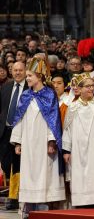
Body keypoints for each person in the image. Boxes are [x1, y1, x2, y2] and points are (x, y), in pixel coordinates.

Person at [10, 57, 65, 218]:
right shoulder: (25, 95)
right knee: (29, 172)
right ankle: (27, 206)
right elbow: (18, 119)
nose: (27, 78)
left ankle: (43, 205)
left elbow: (53, 120)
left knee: (44, 172)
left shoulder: (49, 95)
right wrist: (18, 142)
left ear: (39, 76)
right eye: (26, 76)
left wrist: (51, 141)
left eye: (29, 76)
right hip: (28, 141)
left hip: (43, 142)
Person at [62, 73, 94, 207]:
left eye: (93, 86)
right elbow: (67, 130)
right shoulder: (73, 107)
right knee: (79, 173)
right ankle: (80, 202)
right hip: (77, 147)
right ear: (79, 89)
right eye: (87, 86)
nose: (91, 89)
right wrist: (66, 150)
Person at [0, 62, 28, 210]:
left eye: (20, 70)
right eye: (15, 70)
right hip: (5, 132)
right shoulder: (5, 87)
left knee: (18, 165)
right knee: (5, 164)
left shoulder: (30, 88)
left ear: (25, 71)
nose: (17, 73)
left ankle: (16, 197)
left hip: (23, 132)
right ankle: (12, 193)